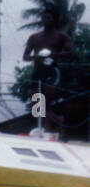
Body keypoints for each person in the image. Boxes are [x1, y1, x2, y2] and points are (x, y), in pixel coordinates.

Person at [22, 8, 74, 136]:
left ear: (53, 20)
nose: (46, 21)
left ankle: (50, 130)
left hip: (52, 72)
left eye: (48, 18)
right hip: (37, 72)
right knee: (37, 106)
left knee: (46, 103)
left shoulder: (61, 36)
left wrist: (54, 54)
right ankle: (54, 123)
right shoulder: (34, 37)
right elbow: (25, 56)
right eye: (44, 18)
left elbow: (70, 53)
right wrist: (37, 57)